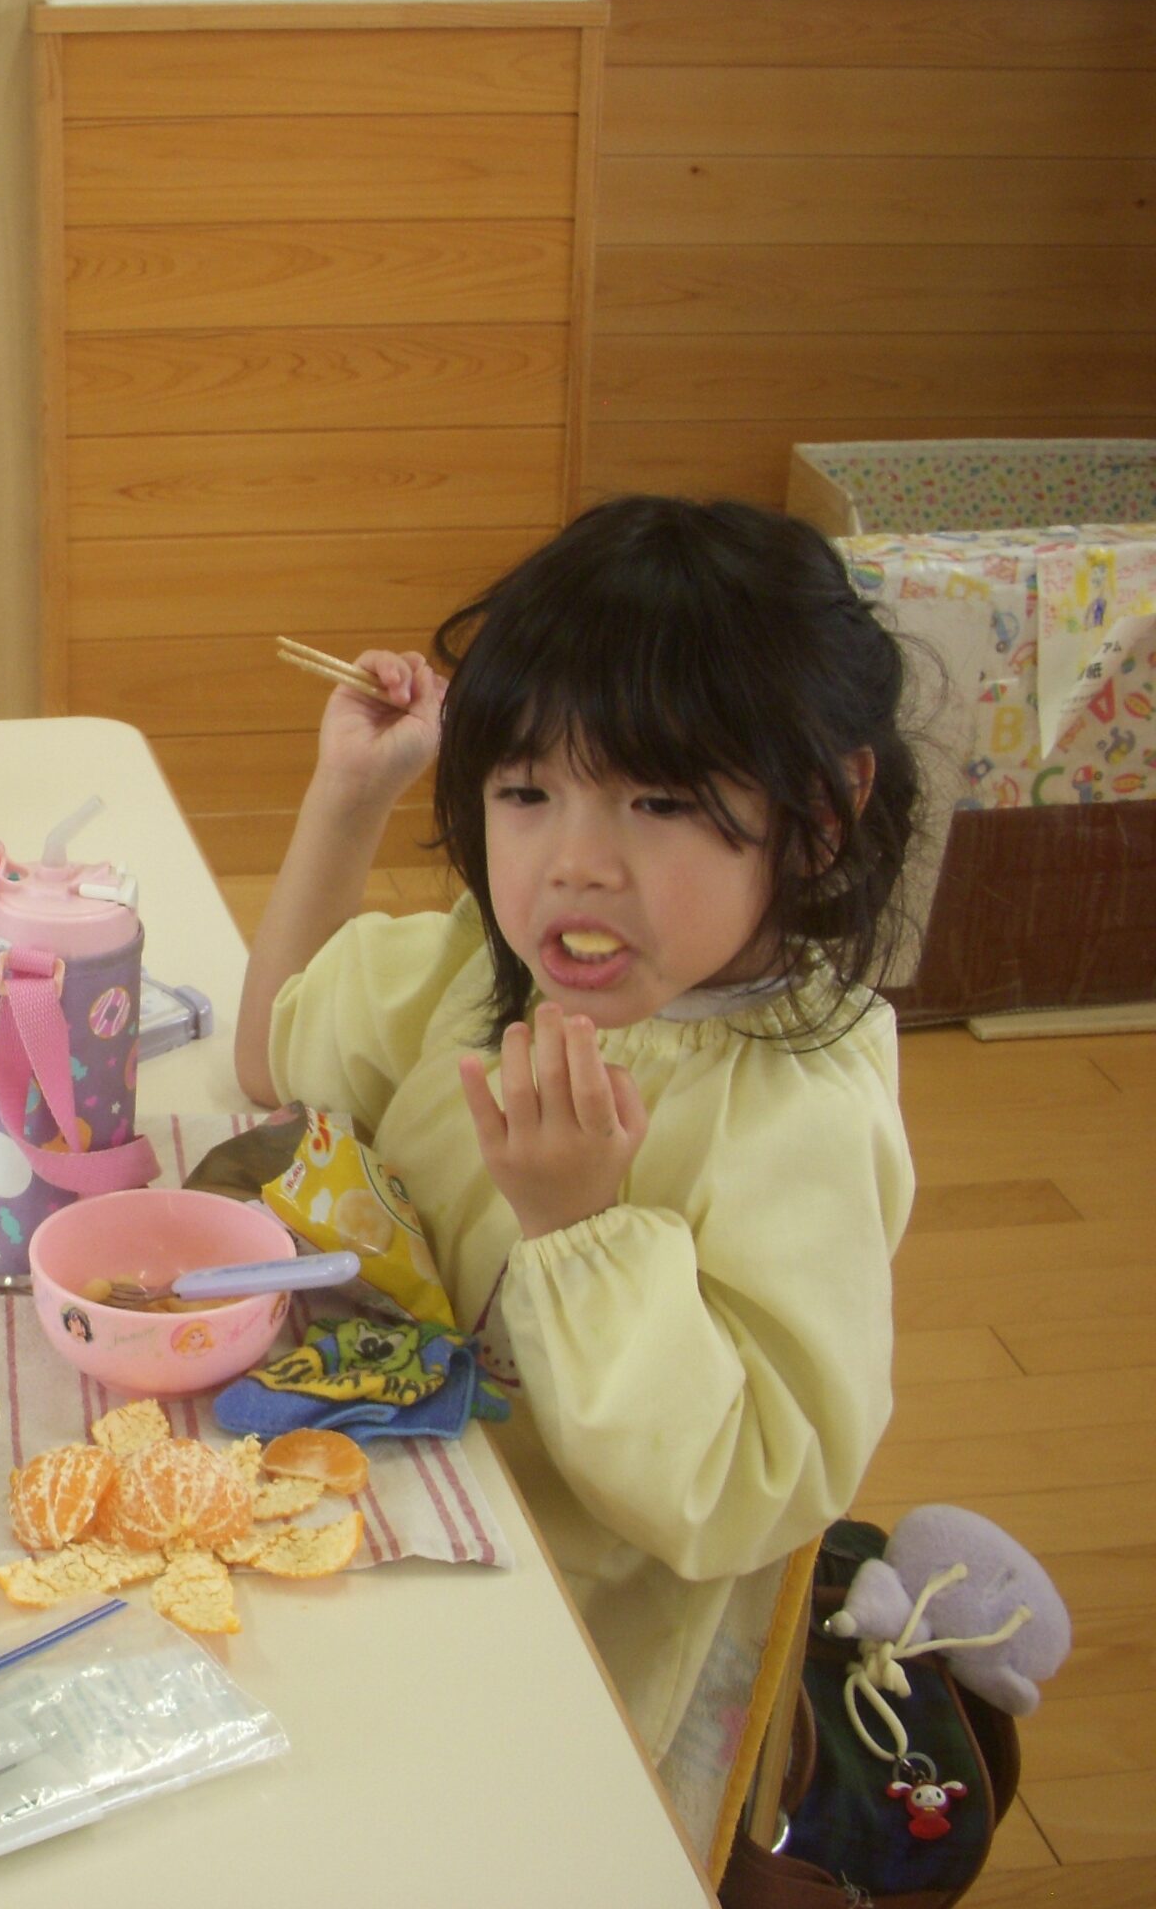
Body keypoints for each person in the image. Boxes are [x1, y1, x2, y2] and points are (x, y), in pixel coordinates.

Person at [232, 497, 920, 1756]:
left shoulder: (799, 1116)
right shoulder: (482, 973)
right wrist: (349, 799)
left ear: (820, 816)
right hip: (374, 1538)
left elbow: (734, 1491)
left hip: (567, 1676)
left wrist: (580, 1230)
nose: (573, 863)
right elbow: (276, 1055)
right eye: (526, 790)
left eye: (656, 801)